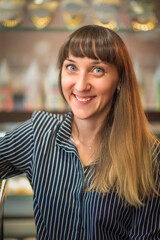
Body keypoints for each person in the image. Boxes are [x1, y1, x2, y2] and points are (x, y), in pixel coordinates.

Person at [0, 25, 160, 240]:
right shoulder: (38, 133)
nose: (81, 85)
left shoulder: (148, 154)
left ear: (119, 81)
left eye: (97, 70)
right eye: (71, 67)